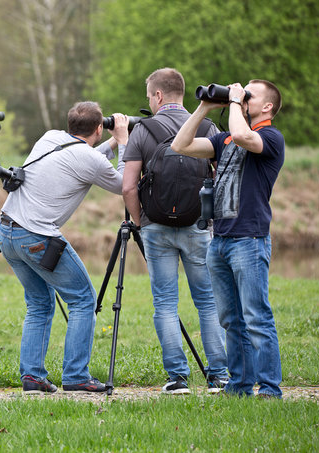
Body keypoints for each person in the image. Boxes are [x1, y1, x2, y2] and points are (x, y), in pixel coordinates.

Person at [0, 101, 130, 393]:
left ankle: (32, 376)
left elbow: (82, 159)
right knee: (83, 299)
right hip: (36, 237)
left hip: (7, 233)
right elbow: (124, 184)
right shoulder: (88, 158)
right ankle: (76, 375)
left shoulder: (50, 137)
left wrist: (110, 142)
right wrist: (123, 143)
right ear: (98, 127)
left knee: (40, 303)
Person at [172, 79, 285, 398]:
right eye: (242, 92)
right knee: (231, 320)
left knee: (256, 317)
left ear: (267, 107)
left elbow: (244, 136)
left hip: (249, 239)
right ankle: (238, 385)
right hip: (219, 240)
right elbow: (180, 145)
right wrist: (205, 107)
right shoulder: (224, 140)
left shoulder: (271, 138)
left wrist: (235, 101)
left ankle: (270, 389)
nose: (243, 96)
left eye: (251, 94)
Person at [122, 68, 229, 394]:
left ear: (157, 96)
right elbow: (221, 180)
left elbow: (128, 187)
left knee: (165, 303)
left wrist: (141, 223)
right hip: (198, 225)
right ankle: (219, 377)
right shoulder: (209, 126)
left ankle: (177, 378)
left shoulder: (143, 130)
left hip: (156, 227)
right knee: (208, 303)